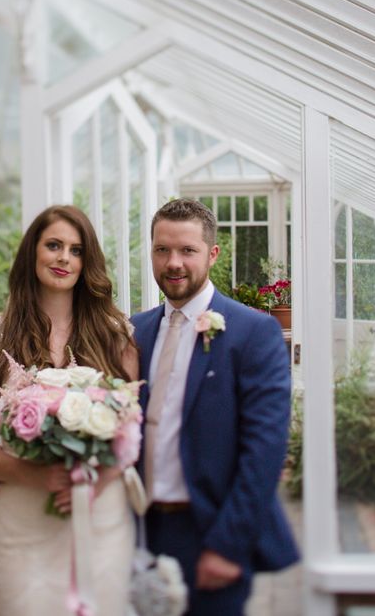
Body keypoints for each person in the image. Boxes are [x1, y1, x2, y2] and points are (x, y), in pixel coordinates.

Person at [0, 204, 139, 616]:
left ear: (87, 262)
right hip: (24, 516)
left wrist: (92, 482)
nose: (63, 258)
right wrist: (36, 474)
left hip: (100, 512)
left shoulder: (117, 336)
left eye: (76, 250)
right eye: (53, 245)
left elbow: (132, 432)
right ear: (32, 253)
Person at [131, 198, 299, 616]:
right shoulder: (134, 331)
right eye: (162, 250)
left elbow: (264, 450)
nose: (173, 262)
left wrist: (227, 546)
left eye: (187, 250)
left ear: (212, 253)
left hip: (209, 532)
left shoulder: (253, 332)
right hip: (137, 530)